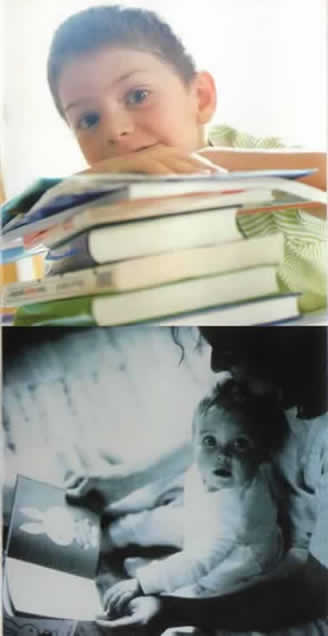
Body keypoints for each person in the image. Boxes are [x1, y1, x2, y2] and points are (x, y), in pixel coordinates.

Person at [46, 4, 326, 311]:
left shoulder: (252, 152)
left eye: (138, 96)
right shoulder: (95, 213)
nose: (114, 131)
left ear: (201, 98)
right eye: (88, 120)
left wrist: (217, 162)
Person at [65, 327, 328, 635]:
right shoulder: (284, 378)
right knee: (165, 488)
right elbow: (215, 434)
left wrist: (171, 609)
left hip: (288, 567)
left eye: (231, 349)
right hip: (247, 488)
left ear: (281, 346)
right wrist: (123, 479)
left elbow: (314, 590)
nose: (216, 363)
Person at [102, 378, 286, 634]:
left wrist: (143, 583)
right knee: (158, 520)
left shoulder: (237, 513)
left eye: (240, 444)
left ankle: (170, 603)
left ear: (261, 455)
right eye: (210, 441)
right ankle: (108, 537)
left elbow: (200, 560)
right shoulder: (207, 469)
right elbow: (191, 517)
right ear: (194, 442)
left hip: (236, 560)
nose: (223, 454)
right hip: (202, 522)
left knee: (198, 591)